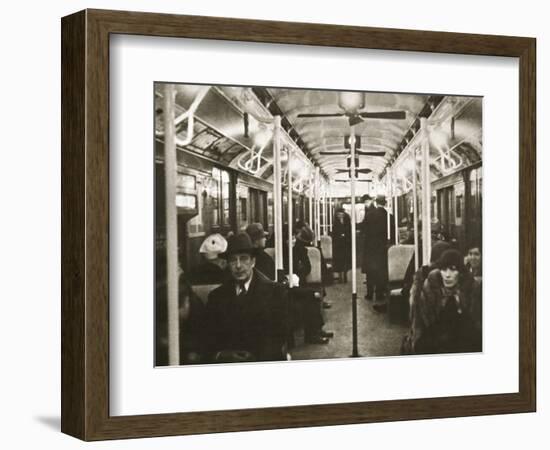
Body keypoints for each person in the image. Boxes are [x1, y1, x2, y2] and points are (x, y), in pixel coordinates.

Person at [201, 232, 287, 363]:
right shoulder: (216, 297)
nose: (238, 265)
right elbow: (208, 336)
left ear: (253, 261)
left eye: (244, 258)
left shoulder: (275, 292)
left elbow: (280, 336)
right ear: (228, 264)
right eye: (233, 260)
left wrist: (255, 357)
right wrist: (222, 355)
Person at [405, 248, 482, 354]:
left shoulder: (469, 290)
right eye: (444, 269)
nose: (447, 275)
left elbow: (474, 324)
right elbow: (422, 327)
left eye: (453, 269)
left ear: (460, 272)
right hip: (434, 340)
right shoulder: (430, 289)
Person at [362, 195, 395, 305]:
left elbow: (364, 231)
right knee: (381, 270)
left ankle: (370, 293)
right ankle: (380, 293)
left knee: (370, 271)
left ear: (376, 203)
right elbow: (392, 234)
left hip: (370, 247)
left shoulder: (369, 215)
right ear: (385, 203)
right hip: (383, 247)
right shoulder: (389, 217)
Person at [331, 208, 352, 283]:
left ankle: (345, 275)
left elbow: (349, 230)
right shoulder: (335, 222)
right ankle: (340, 276)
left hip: (346, 243)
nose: (340, 216)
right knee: (339, 260)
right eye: (338, 215)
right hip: (338, 244)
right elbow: (334, 232)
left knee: (345, 260)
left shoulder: (347, 220)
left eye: (341, 215)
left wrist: (345, 235)